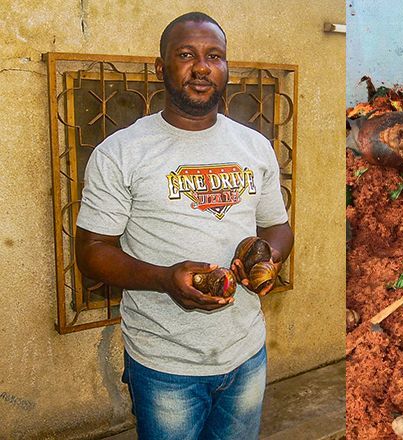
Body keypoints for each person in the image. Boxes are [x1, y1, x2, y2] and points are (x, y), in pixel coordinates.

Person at [75, 11, 293, 440]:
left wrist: (268, 255)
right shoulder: (120, 152)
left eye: (215, 56)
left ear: (227, 67)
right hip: (165, 365)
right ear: (162, 68)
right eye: (186, 54)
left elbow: (277, 227)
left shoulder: (254, 146)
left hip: (246, 354)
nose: (201, 66)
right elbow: (91, 251)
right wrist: (164, 279)